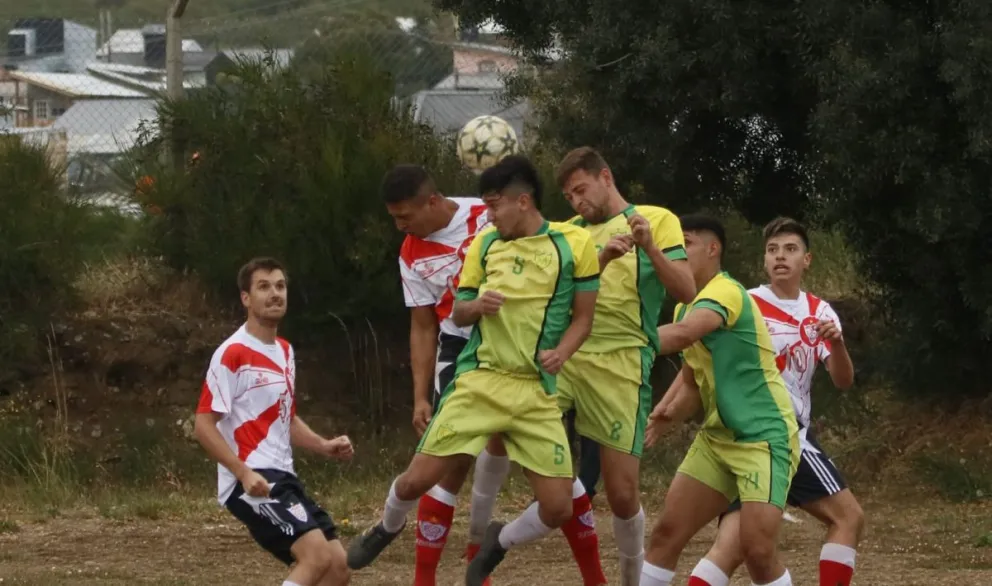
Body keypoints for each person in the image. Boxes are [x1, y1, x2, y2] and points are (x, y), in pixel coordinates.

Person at [347, 155, 601, 586]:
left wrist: (562, 352)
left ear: (521, 202)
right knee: (424, 479)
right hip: (476, 370)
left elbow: (583, 316)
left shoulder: (561, 240)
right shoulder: (468, 246)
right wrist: (474, 309)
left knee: (558, 504)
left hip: (534, 384)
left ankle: (495, 541)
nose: (490, 215)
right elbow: (438, 319)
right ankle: (389, 528)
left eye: (404, 216)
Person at [683, 217, 863, 586]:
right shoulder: (744, 302)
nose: (780, 256)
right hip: (778, 432)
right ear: (764, 260)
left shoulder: (820, 313)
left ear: (806, 260)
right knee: (848, 517)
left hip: (754, 437)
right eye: (773, 250)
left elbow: (843, 381)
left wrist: (837, 343)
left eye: (790, 249)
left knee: (735, 547)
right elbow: (696, 363)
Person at [554, 146, 697, 585]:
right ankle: (486, 543)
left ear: (605, 177)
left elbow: (687, 290)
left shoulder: (656, 219)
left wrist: (649, 246)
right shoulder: (567, 233)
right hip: (567, 357)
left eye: (581, 190)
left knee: (621, 493)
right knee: (512, 433)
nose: (578, 202)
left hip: (622, 364)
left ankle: (631, 578)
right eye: (569, 197)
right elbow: (556, 298)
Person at [639, 214, 800, 586]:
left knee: (758, 553)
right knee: (666, 534)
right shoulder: (685, 307)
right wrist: (667, 414)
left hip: (763, 438)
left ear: (713, 249)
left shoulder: (725, 291)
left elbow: (683, 335)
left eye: (686, 243)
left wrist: (621, 339)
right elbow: (694, 381)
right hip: (717, 441)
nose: (678, 252)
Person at [381, 164, 512, 585]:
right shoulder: (410, 254)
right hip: (459, 347)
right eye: (394, 218)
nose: (401, 226)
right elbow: (422, 327)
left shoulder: (485, 215)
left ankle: (476, 560)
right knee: (449, 461)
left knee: (503, 445)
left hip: (514, 340)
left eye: (406, 216)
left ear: (433, 202)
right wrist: (420, 396)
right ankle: (424, 577)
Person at [193, 257, 355, 586]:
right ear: (246, 298)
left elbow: (285, 417)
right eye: (264, 287)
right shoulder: (233, 352)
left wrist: (324, 445)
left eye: (280, 286)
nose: (275, 294)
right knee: (316, 557)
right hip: (250, 479)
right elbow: (203, 424)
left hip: (283, 476)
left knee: (338, 567)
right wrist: (242, 472)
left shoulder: (284, 351)